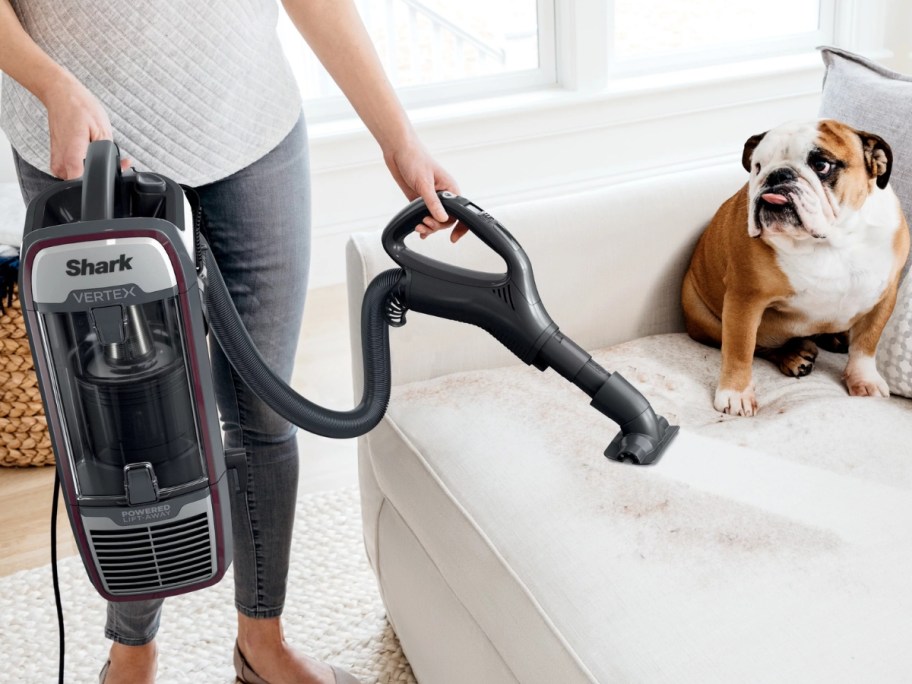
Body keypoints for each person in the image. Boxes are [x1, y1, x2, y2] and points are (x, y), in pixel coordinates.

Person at [0, 1, 465, 682]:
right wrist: (52, 83)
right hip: (84, 141)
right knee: (125, 435)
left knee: (265, 408)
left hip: (248, 126)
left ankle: (262, 640)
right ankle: (131, 651)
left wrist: (400, 138)